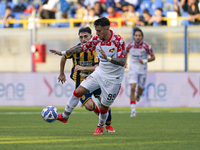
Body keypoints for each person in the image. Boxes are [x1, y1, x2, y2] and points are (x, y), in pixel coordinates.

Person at [50, 17, 126, 135]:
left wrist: (107, 58)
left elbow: (122, 61)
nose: (97, 33)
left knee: (104, 107)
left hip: (113, 79)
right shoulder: (96, 39)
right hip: (100, 73)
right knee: (78, 91)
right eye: (96, 31)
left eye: (99, 31)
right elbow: (81, 47)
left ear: (107, 29)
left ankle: (101, 126)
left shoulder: (118, 41)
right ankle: (65, 116)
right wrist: (63, 53)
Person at [125, 28, 155, 117]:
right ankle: (133, 110)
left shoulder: (146, 46)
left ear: (142, 37)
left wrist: (145, 61)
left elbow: (153, 57)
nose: (138, 37)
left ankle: (138, 95)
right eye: (136, 35)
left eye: (139, 36)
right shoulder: (129, 45)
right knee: (132, 88)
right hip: (133, 70)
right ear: (134, 36)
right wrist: (125, 62)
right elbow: (125, 53)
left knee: (140, 89)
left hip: (142, 70)